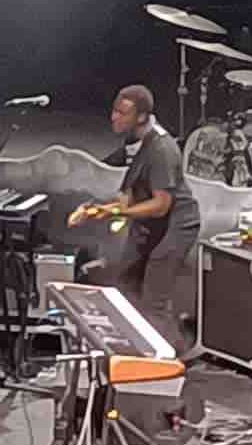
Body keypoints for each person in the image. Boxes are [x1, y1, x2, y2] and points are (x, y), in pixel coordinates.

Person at [69, 84, 202, 351]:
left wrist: (116, 211)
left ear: (141, 117)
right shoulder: (135, 139)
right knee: (126, 284)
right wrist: (97, 209)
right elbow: (128, 193)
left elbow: (161, 205)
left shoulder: (162, 149)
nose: (114, 117)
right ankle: (136, 348)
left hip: (175, 227)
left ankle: (171, 356)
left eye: (122, 113)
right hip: (150, 225)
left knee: (154, 299)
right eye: (114, 110)